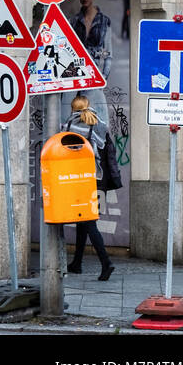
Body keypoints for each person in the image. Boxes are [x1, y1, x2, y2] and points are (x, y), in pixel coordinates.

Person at [65, 93, 114, 281]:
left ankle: (106, 263)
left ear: (73, 108)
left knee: (88, 221)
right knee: (83, 220)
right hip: (96, 178)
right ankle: (77, 263)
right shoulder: (99, 124)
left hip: (79, 179)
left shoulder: (70, 125)